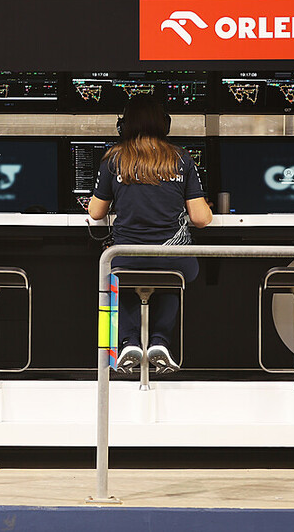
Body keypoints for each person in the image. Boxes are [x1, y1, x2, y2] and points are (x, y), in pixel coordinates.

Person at [88, 94, 212, 375]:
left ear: (124, 125)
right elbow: (201, 219)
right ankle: (160, 341)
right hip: (174, 260)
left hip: (124, 258)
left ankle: (128, 341)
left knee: (120, 273)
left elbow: (96, 212)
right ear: (164, 124)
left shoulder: (113, 159)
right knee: (170, 272)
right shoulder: (180, 158)